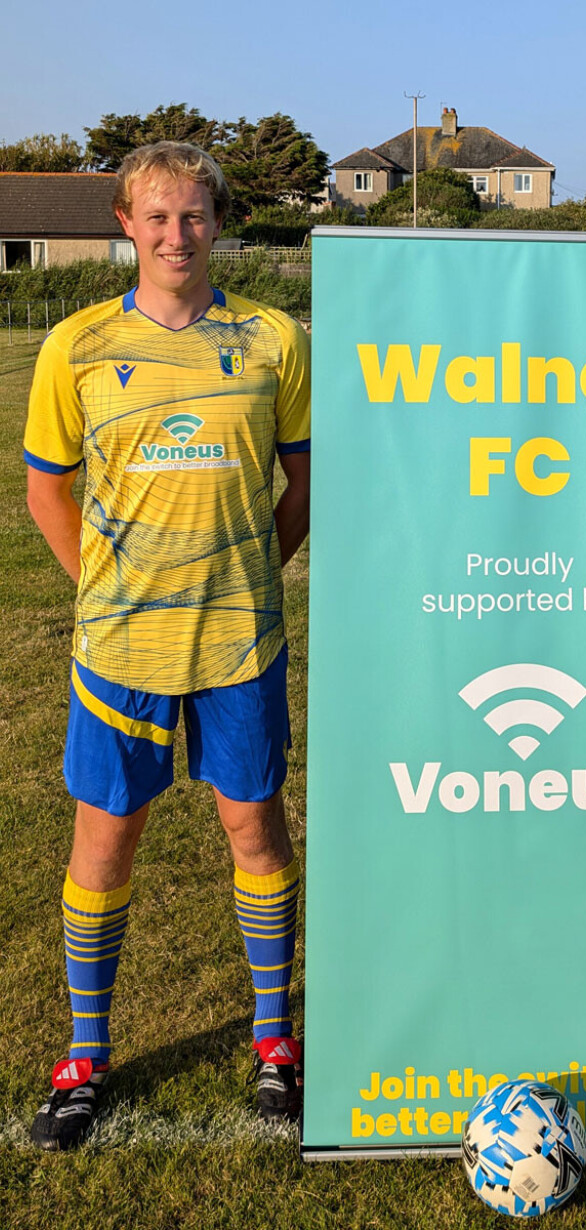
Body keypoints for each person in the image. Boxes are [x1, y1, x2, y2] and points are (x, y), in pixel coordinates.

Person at [23, 141, 311, 1150]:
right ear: (125, 224)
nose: (176, 235)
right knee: (106, 837)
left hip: (240, 643)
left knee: (254, 829)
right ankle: (85, 1055)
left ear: (219, 222)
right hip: (119, 651)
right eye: (156, 216)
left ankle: (274, 1040)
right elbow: (46, 491)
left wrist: (248, 576)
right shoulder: (77, 344)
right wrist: (106, 591)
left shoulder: (274, 338)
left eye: (193, 215)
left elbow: (302, 484)